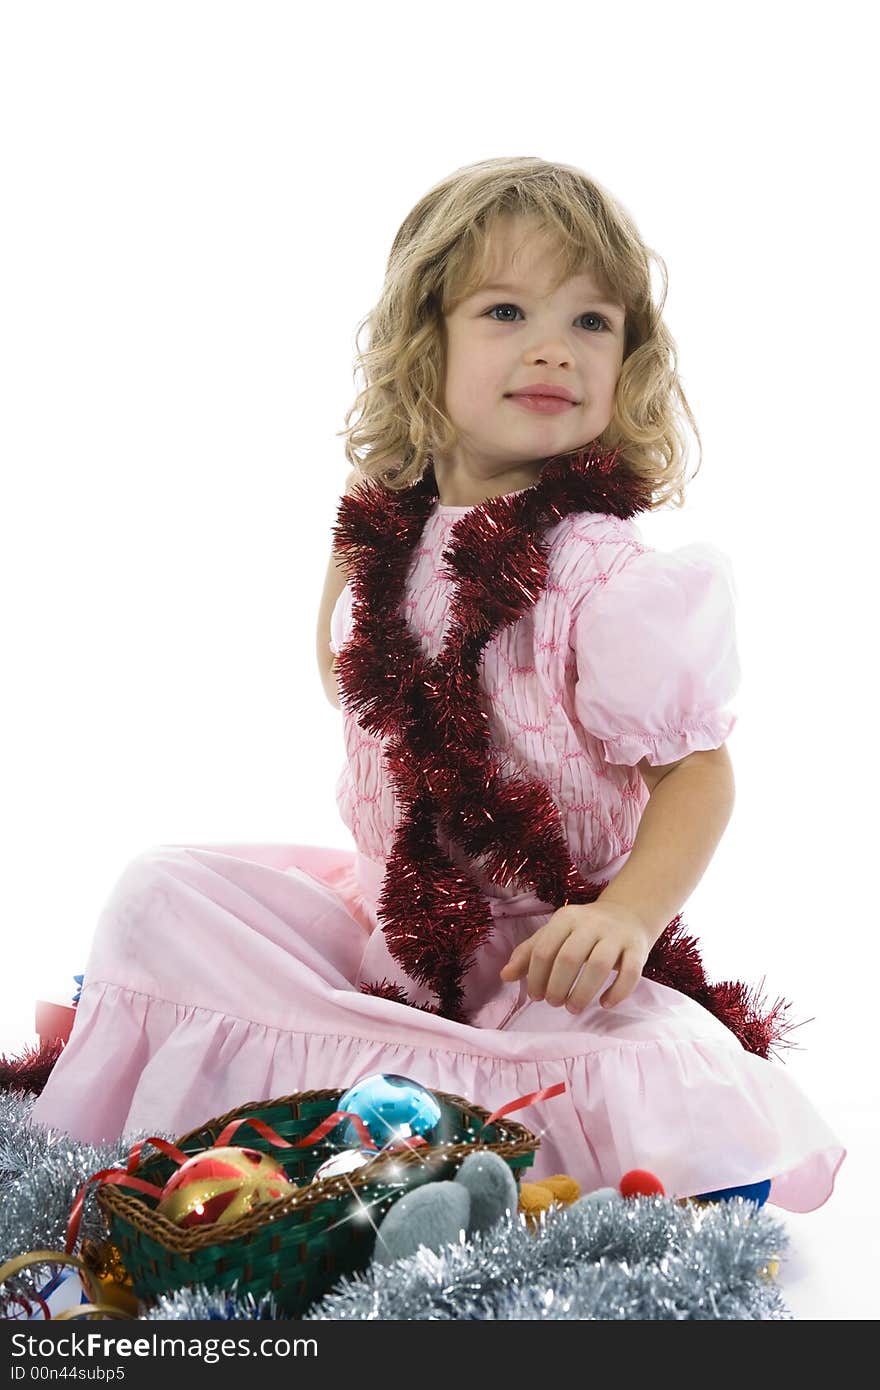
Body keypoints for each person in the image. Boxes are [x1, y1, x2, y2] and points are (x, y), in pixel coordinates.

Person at [30, 157, 844, 1210]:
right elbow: (344, 680)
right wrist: (359, 556)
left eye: (592, 322)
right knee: (162, 889)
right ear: (428, 342)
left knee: (645, 1062)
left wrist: (629, 920)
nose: (553, 345)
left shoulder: (610, 575)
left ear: (630, 362)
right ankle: (372, 1091)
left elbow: (701, 773)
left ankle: (448, 1132)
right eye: (506, 310)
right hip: (387, 918)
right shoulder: (381, 524)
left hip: (534, 956)